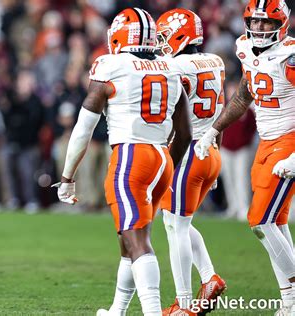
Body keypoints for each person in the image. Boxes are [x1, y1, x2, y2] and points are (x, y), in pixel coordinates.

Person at [53, 8, 192, 316]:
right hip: (161, 157)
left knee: (137, 239)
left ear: (117, 36)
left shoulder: (110, 65)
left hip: (131, 156)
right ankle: (117, 309)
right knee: (130, 239)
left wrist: (66, 177)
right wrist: (169, 164)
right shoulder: (170, 67)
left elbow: (83, 129)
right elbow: (185, 132)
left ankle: (153, 312)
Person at [194, 1, 294, 315]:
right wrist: (214, 129)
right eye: (255, 21)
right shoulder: (244, 48)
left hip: (288, 139)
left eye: (267, 23)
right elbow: (244, 95)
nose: (260, 28)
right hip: (266, 141)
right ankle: (289, 302)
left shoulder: (290, 55)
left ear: (282, 23)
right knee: (276, 221)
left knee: (260, 221)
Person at [156, 8, 227, 315]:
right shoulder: (215, 60)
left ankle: (183, 303)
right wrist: (217, 150)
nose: (161, 42)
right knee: (175, 222)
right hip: (210, 149)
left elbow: (169, 116)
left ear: (180, 34)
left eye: (164, 36)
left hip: (188, 150)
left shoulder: (173, 66)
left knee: (177, 227)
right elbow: (220, 109)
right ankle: (209, 277)